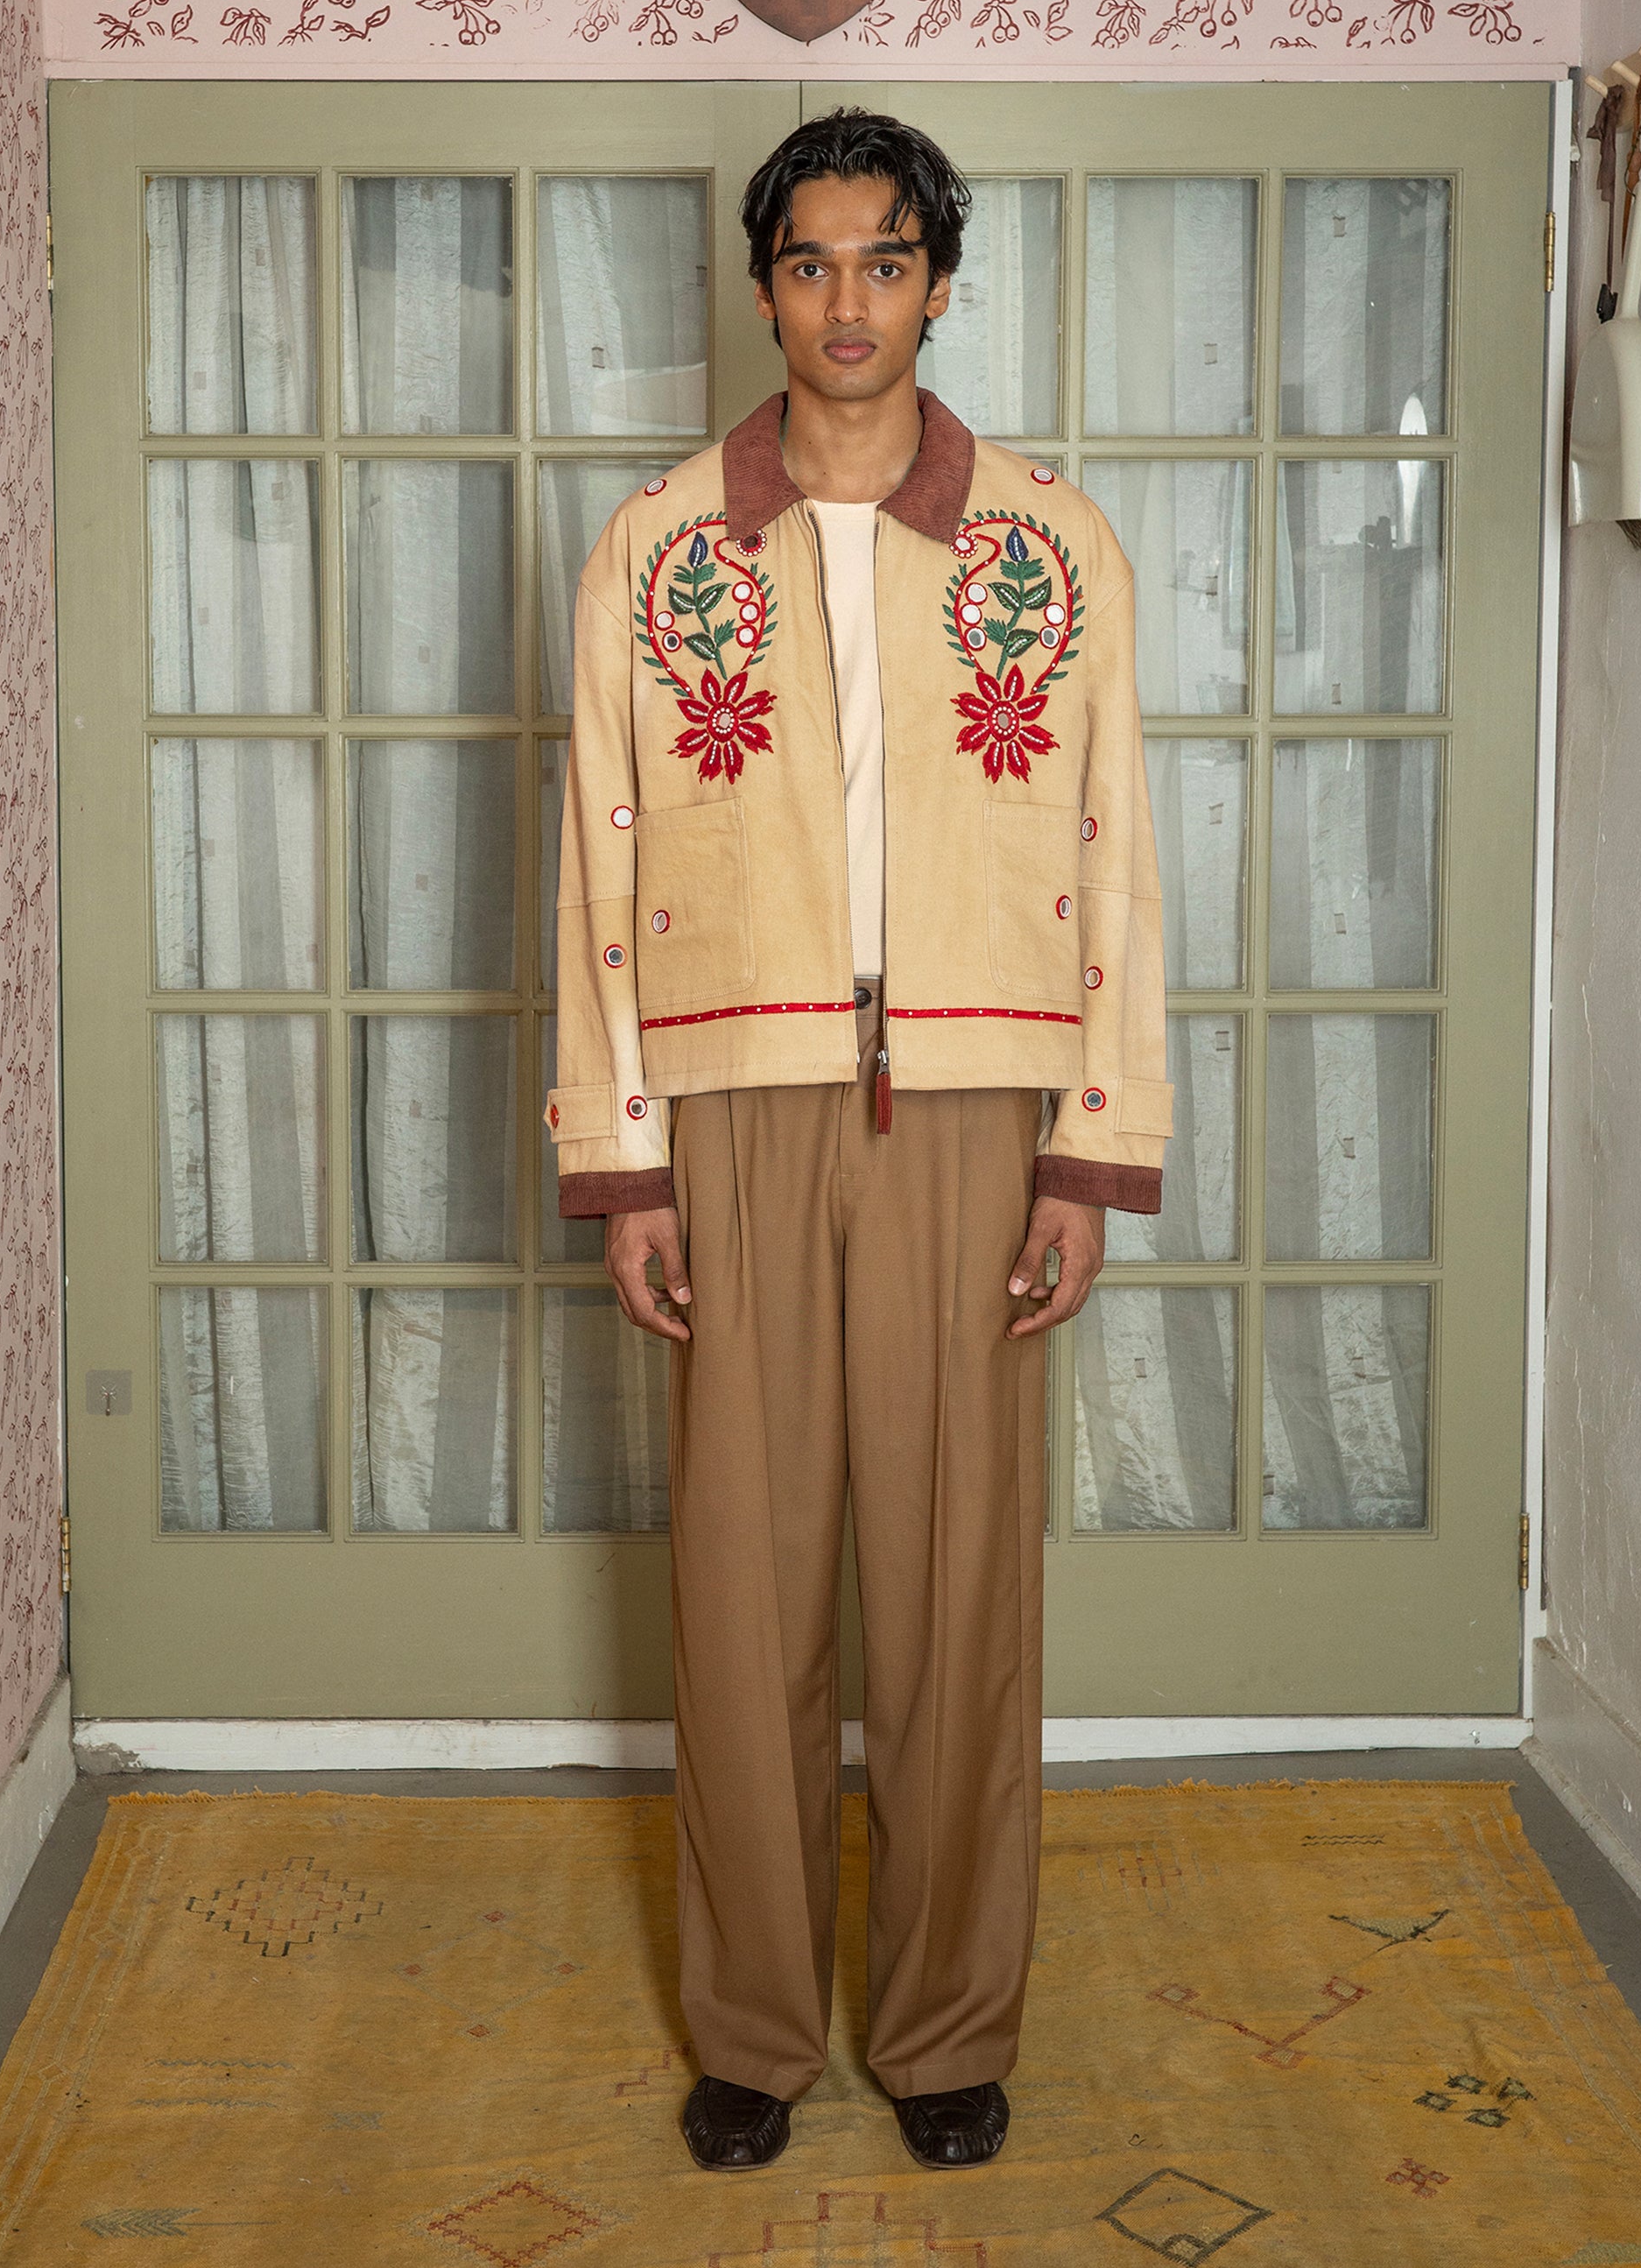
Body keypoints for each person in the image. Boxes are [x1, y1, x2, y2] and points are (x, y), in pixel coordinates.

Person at [546, 109, 1170, 2173]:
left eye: (883, 261)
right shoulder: (655, 549)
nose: (845, 300)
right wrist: (620, 1152)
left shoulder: (1053, 546)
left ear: (938, 280)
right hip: (732, 1098)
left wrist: (1089, 1148)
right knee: (741, 1588)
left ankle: (947, 2021)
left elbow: (1116, 856)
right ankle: (745, 2024)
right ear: (761, 286)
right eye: (808, 262)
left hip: (981, 1105)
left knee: (960, 1582)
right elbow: (597, 866)